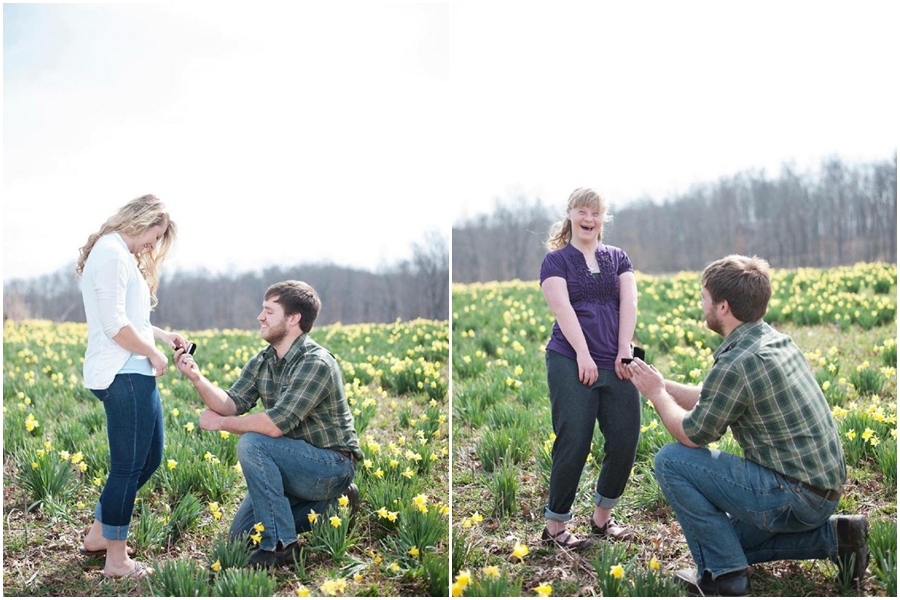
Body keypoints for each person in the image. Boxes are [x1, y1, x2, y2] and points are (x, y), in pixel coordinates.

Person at [627, 255, 868, 596]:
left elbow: (693, 435)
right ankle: (838, 538)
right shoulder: (771, 340)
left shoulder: (738, 363)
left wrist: (655, 396)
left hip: (793, 497)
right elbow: (714, 396)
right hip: (821, 491)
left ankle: (725, 578)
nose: (701, 304)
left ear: (723, 307)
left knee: (671, 460)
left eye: (704, 298)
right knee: (725, 541)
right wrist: (660, 383)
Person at [174, 280, 363, 568]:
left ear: (293, 319)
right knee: (241, 537)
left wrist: (222, 423)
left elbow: (275, 425)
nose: (260, 317)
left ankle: (281, 547)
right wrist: (197, 378)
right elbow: (232, 401)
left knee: (253, 442)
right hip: (292, 463)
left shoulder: (316, 363)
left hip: (330, 465)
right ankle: (336, 506)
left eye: (268, 311)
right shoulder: (264, 360)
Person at [77, 194, 185, 579]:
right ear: (139, 221)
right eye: (154, 237)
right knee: (127, 466)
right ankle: (116, 561)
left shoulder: (121, 255)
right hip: (123, 373)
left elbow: (132, 320)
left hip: (134, 369)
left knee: (151, 458)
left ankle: (98, 536)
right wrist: (152, 354)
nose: (152, 246)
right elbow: (114, 326)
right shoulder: (109, 253)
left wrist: (162, 336)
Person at [539, 187, 640, 550]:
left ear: (603, 219)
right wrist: (582, 354)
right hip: (570, 359)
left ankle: (602, 518)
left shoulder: (618, 257)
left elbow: (629, 301)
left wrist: (624, 349)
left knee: (626, 439)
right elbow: (562, 309)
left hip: (617, 361)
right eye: (581, 211)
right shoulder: (557, 261)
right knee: (574, 440)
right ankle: (555, 526)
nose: (588, 218)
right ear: (569, 214)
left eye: (595, 213)